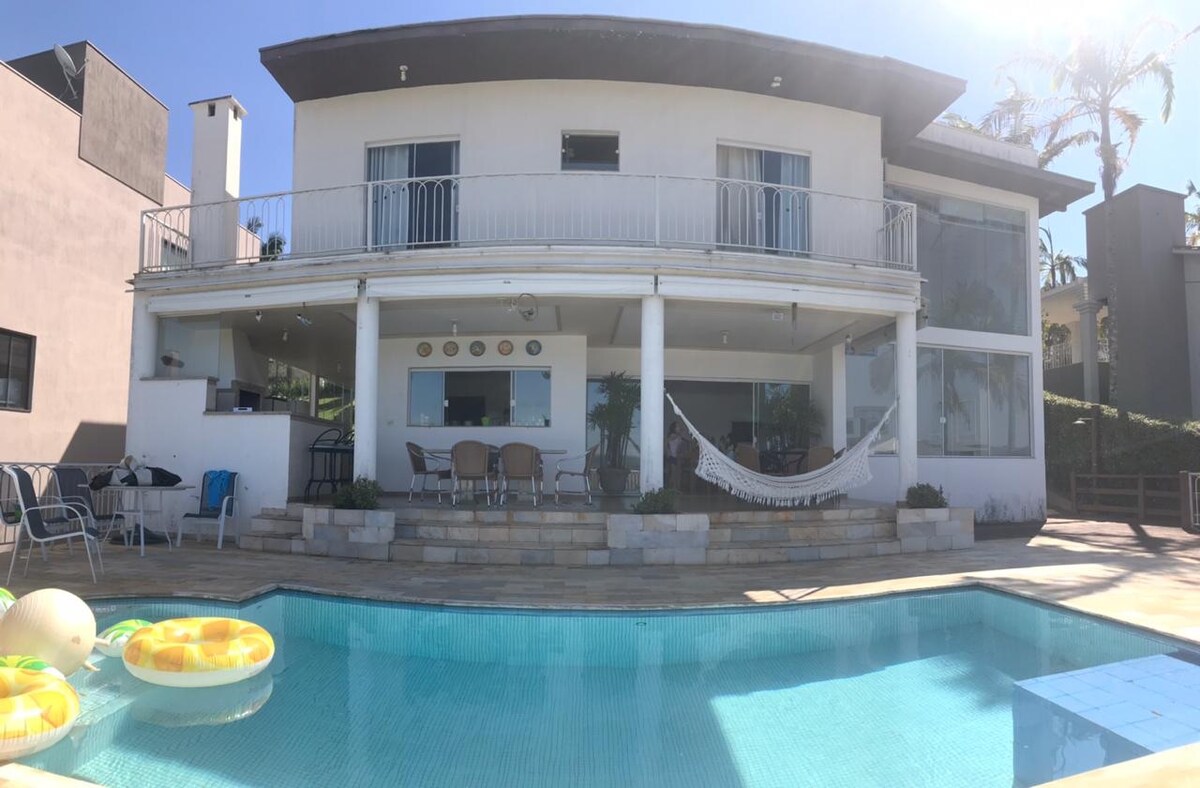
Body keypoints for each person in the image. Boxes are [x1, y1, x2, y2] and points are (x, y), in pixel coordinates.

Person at [666, 421, 685, 490]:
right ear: (674, 428)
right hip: (672, 456)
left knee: (678, 473)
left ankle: (677, 488)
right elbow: (667, 441)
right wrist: (668, 451)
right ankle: (672, 488)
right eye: (678, 426)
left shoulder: (679, 436)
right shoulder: (672, 435)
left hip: (678, 457)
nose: (679, 427)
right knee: (673, 473)